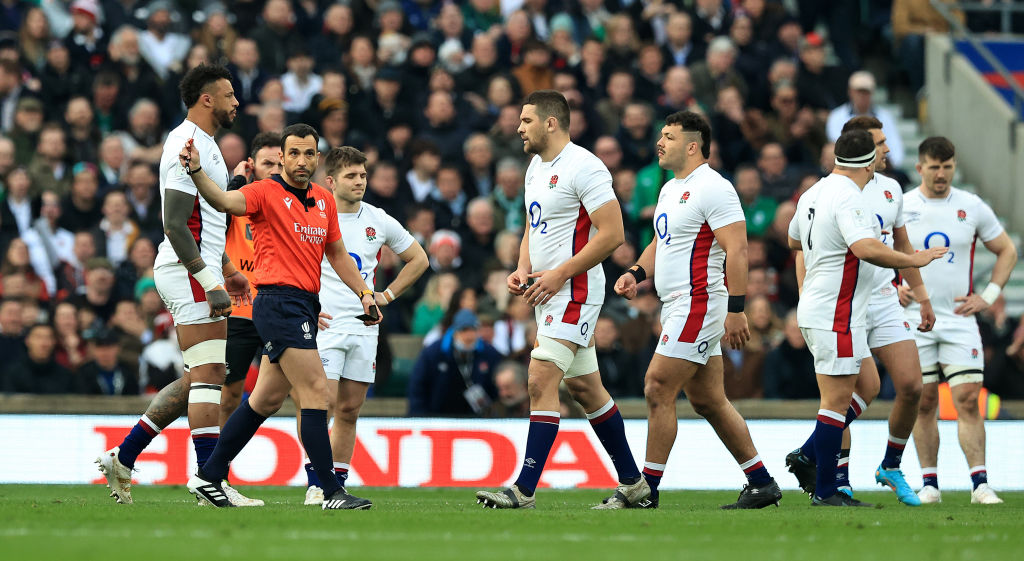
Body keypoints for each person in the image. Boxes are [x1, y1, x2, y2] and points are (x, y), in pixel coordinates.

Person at [179, 123, 383, 510]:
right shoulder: (264, 192)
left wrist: (365, 294)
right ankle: (330, 490)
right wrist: (196, 172)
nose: (301, 161)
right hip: (277, 302)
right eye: (294, 154)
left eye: (309, 154)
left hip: (304, 303)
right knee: (317, 393)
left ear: (318, 158)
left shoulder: (324, 201)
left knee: (265, 400)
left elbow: (337, 254)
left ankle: (208, 477)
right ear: (284, 157)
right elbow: (224, 201)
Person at [95, 64, 257, 506]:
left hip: (196, 268)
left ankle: (123, 457)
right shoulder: (185, 143)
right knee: (210, 375)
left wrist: (226, 268)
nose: (235, 102)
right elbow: (174, 224)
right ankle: (209, 480)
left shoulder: (205, 146)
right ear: (207, 99)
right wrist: (210, 280)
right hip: (187, 272)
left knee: (200, 376)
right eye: (228, 94)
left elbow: (205, 222)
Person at [475, 91, 647, 510]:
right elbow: (535, 226)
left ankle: (523, 488)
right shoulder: (536, 166)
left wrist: (559, 274)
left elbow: (612, 234)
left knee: (539, 378)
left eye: (526, 120)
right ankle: (635, 484)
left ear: (551, 122)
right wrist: (521, 265)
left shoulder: (585, 167)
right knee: (587, 390)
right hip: (547, 289)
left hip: (577, 289)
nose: (519, 128)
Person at [613, 111, 781, 510]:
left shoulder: (714, 187)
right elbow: (662, 241)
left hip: (700, 301)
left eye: (668, 136)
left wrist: (736, 310)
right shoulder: (672, 188)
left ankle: (645, 490)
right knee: (708, 401)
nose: (660, 142)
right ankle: (761, 482)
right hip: (677, 305)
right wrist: (637, 272)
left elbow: (737, 248)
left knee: (657, 386)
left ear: (693, 145)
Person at [787, 129, 945, 507]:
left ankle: (811, 459)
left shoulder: (815, 191)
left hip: (830, 306)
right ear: (869, 160)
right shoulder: (849, 196)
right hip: (836, 310)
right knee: (835, 403)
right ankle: (826, 489)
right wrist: (913, 259)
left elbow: (794, 239)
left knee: (866, 385)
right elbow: (865, 247)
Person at [300, 146, 428, 506]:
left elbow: (418, 259)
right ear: (330, 181)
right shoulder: (313, 214)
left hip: (364, 327)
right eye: (351, 176)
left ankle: (336, 485)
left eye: (363, 175)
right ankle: (317, 483)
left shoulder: (378, 219)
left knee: (349, 409)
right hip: (324, 325)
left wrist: (385, 295)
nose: (360, 182)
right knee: (319, 405)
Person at [900, 137, 1017, 505]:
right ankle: (930, 484)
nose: (941, 174)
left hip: (959, 317)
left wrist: (991, 296)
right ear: (920, 168)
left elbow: (1007, 250)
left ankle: (980, 483)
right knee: (924, 400)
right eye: (934, 167)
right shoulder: (901, 206)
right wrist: (892, 287)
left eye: (947, 167)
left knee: (968, 398)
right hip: (913, 318)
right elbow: (874, 251)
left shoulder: (971, 206)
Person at [221, 132, 283, 426]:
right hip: (240, 309)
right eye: (267, 162)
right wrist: (237, 182)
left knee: (297, 393)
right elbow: (214, 224)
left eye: (280, 163)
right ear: (251, 165)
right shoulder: (236, 200)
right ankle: (213, 467)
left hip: (281, 309)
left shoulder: (294, 206)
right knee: (228, 394)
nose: (274, 170)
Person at [407, 309, 504, 417]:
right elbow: (418, 387)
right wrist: (419, 418)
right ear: (454, 331)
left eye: (473, 330)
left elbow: (497, 388)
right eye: (464, 330)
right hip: (437, 416)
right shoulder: (433, 353)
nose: (468, 336)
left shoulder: (489, 354)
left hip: (477, 418)